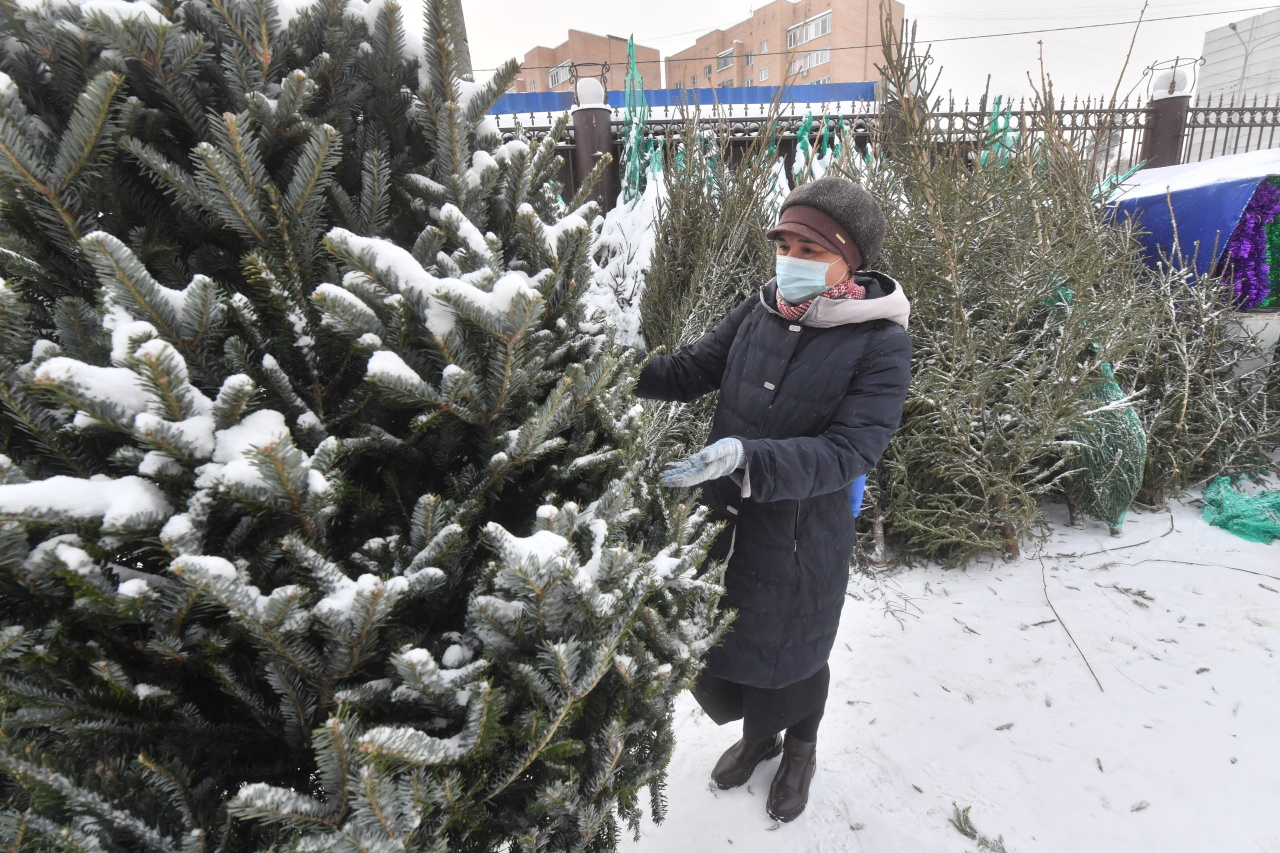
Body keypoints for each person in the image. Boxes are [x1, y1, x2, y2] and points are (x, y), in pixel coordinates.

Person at [634, 176, 911, 822]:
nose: (791, 261)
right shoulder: (759, 310)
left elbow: (850, 450)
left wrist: (750, 459)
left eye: (811, 251)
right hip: (727, 520)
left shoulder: (880, 343)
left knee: (795, 647)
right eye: (784, 244)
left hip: (801, 533)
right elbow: (691, 369)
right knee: (736, 636)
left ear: (853, 260)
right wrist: (620, 366)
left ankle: (801, 749)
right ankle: (760, 734)